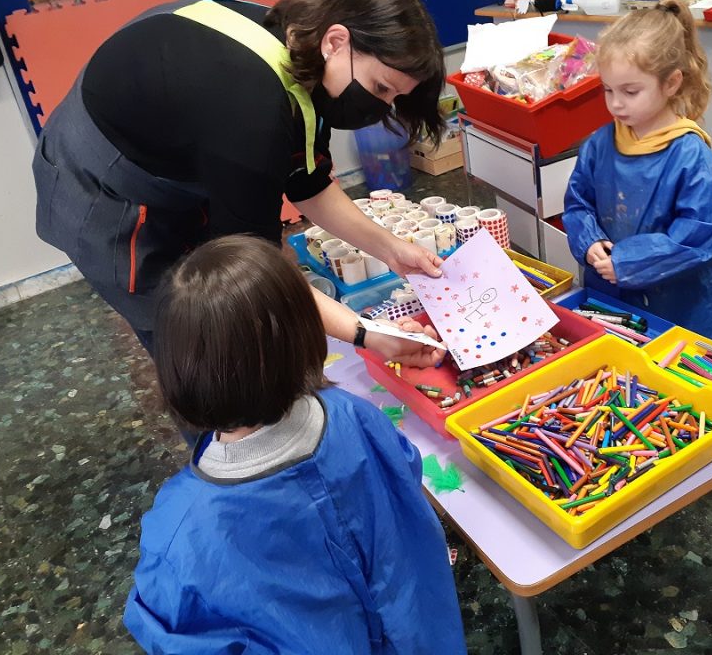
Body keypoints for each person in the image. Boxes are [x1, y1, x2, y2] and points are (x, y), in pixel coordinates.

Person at [31, 0, 447, 369]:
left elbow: (307, 181)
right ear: (336, 41)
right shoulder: (251, 112)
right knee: (191, 334)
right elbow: (257, 271)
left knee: (228, 296)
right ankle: (216, 419)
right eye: (380, 88)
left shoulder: (300, 46)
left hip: (182, 152)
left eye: (395, 97)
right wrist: (366, 333)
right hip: (102, 185)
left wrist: (391, 249)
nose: (382, 107)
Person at [124, 235, 467, 653]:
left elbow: (175, 633)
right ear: (307, 338)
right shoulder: (351, 413)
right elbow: (405, 472)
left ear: (174, 367)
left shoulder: (179, 528)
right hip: (419, 632)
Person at [562, 0, 712, 340]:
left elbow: (702, 236)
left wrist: (629, 262)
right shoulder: (600, 144)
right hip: (611, 301)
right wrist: (589, 241)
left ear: (671, 83)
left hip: (678, 312)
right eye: (608, 90)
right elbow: (578, 203)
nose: (615, 103)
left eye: (630, 91)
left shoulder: (692, 158)